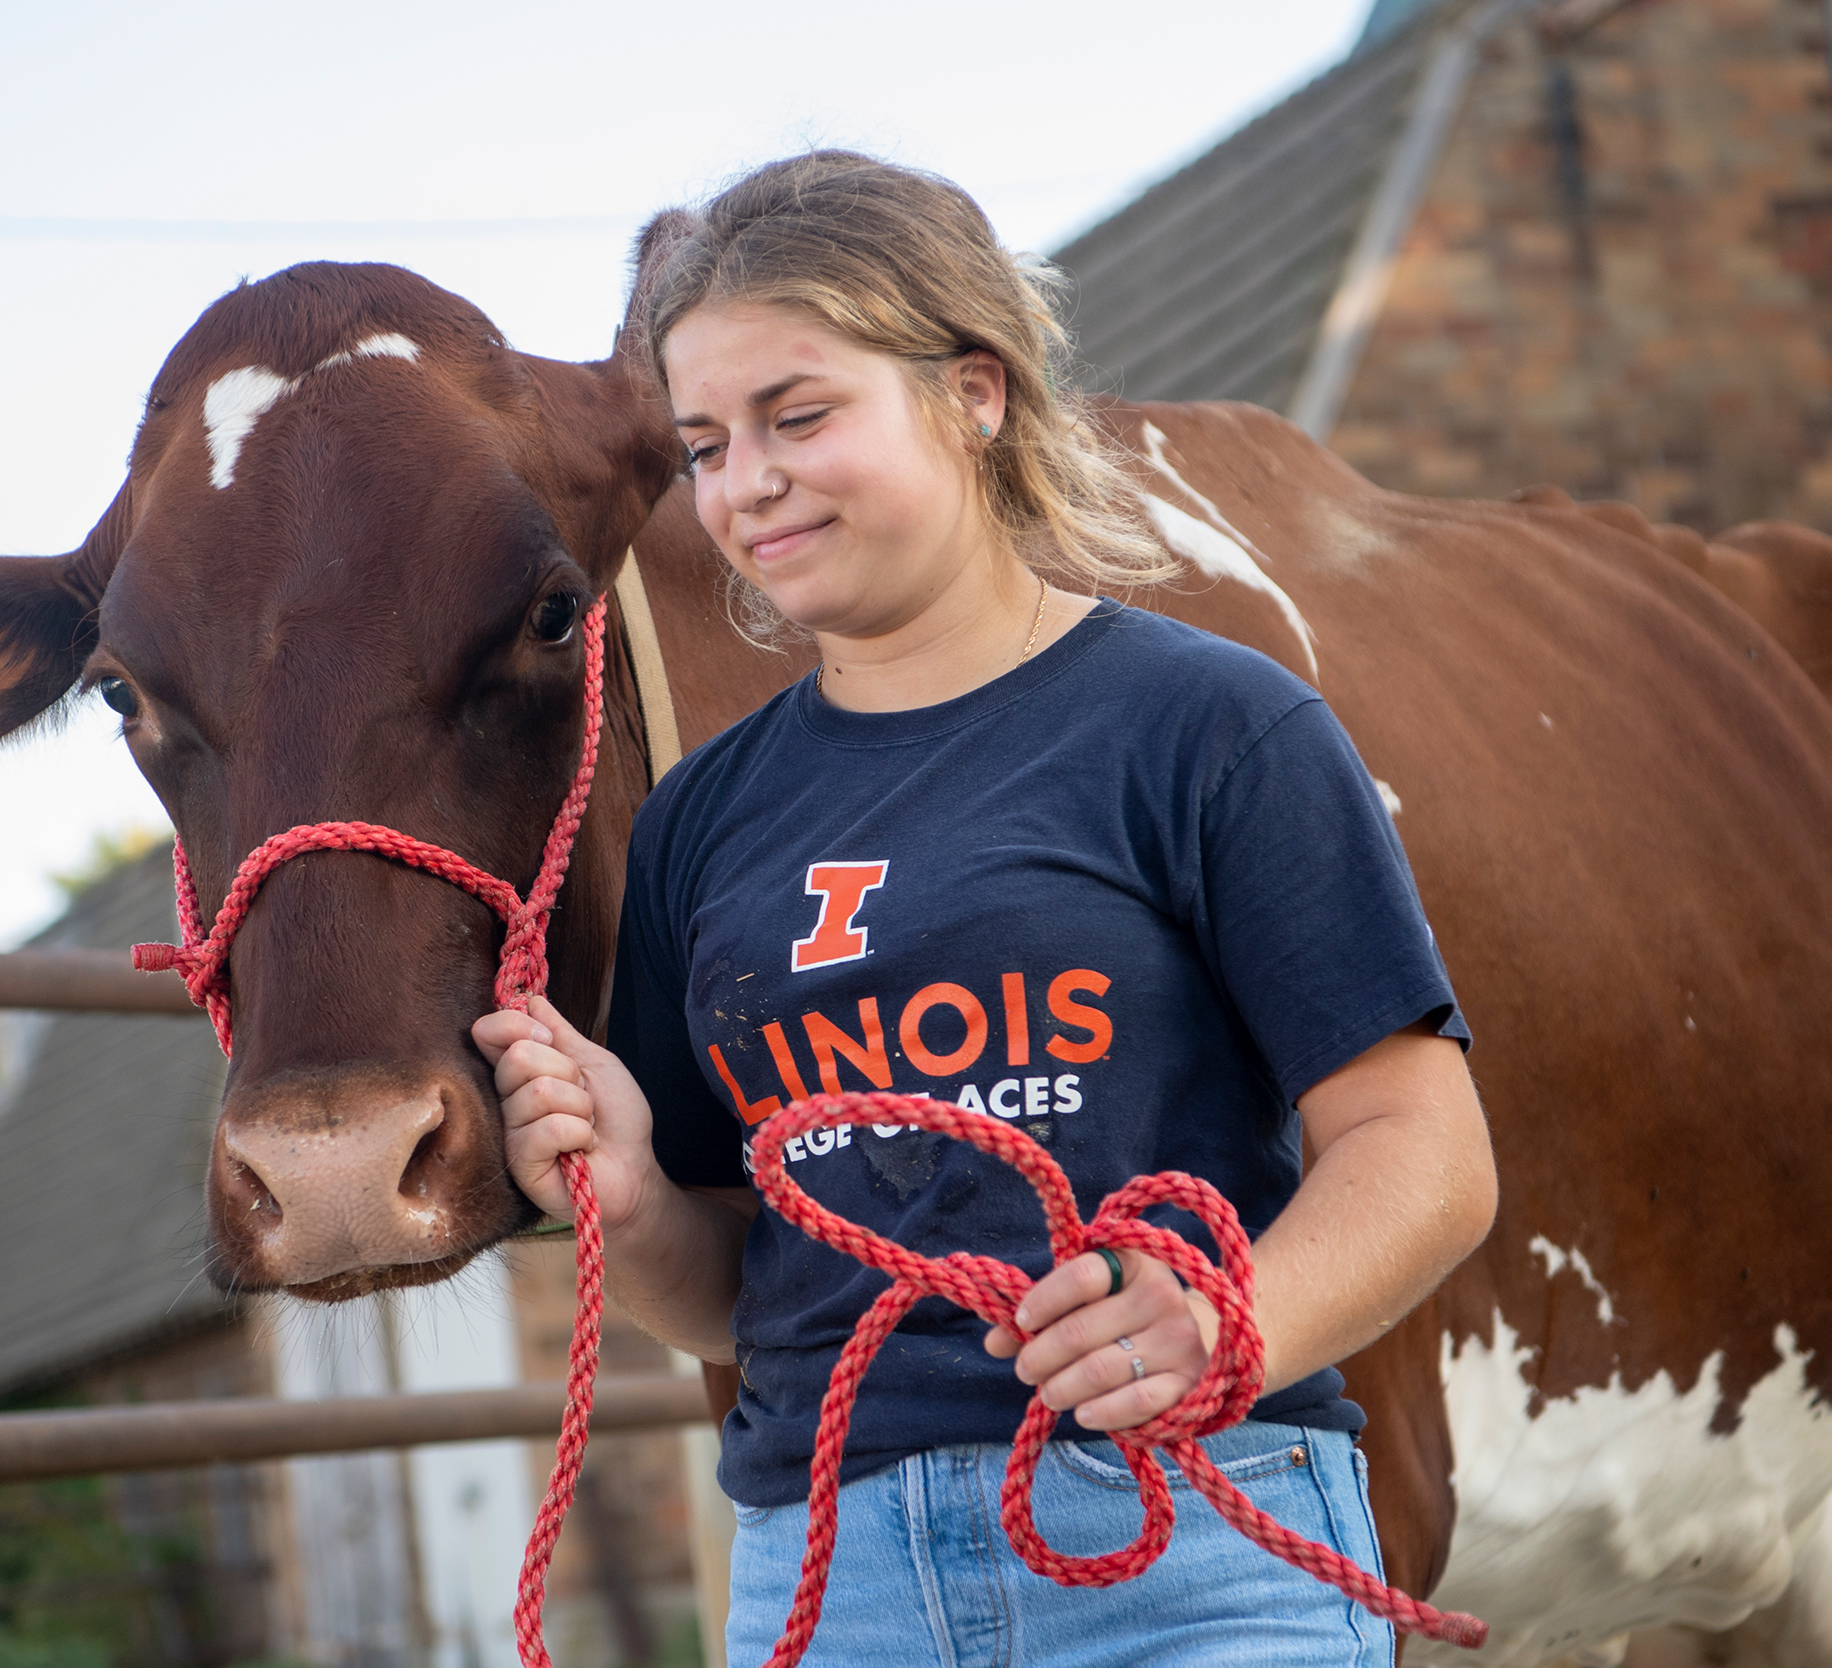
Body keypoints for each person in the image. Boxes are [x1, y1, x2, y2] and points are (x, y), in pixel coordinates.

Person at [472, 151, 1497, 1666]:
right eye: (703, 443)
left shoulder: (1210, 730)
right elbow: (735, 1300)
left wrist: (1227, 1319)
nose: (743, 483)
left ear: (974, 392)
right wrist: (629, 1203)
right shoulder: (703, 819)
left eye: (798, 415)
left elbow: (1426, 1154)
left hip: (1192, 1535)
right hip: (829, 1577)